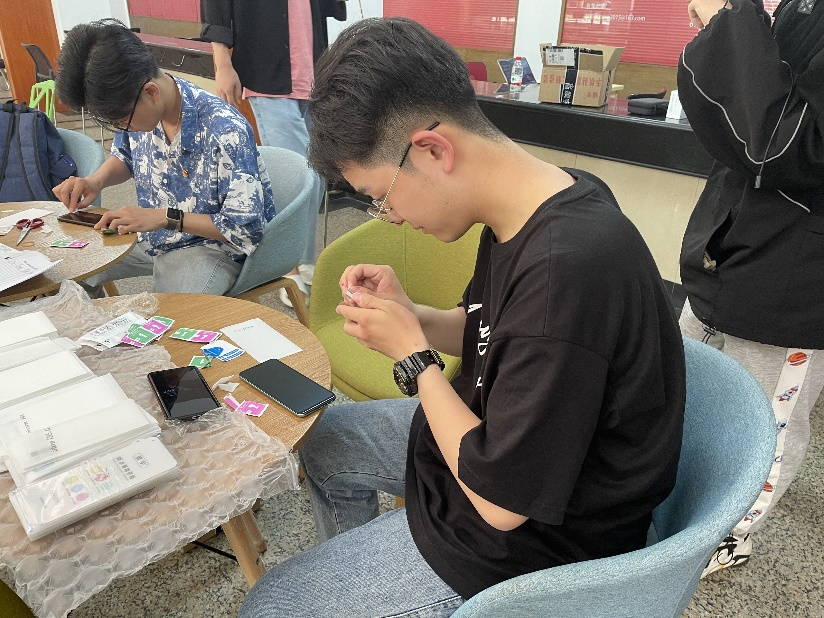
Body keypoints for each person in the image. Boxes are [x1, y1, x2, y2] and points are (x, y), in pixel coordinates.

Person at [238, 18, 686, 617]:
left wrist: (414, 359)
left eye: (381, 197)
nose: (390, 217)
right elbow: (490, 329)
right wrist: (413, 316)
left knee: (271, 605)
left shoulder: (566, 269)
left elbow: (504, 505)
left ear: (433, 150)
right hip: (488, 446)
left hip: (531, 538)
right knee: (325, 442)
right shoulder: (536, 202)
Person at [677, 0, 824, 577]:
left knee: (767, 429)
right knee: (684, 395)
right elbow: (744, 124)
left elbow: (783, 144)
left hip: (794, 281)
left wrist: (731, 17)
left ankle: (729, 535)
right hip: (729, 249)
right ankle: (682, 503)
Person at [53, 19, 276, 297]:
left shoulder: (225, 129)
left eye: (122, 120)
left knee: (168, 315)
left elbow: (243, 228)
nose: (122, 128)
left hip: (210, 246)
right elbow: (126, 157)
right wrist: (95, 181)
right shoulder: (136, 104)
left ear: (151, 92)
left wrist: (164, 217)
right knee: (69, 267)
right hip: (152, 233)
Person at [200, 0, 345, 307]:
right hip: (266, 71)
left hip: (313, 68)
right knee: (298, 176)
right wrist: (222, 63)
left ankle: (302, 259)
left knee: (317, 176)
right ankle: (287, 267)